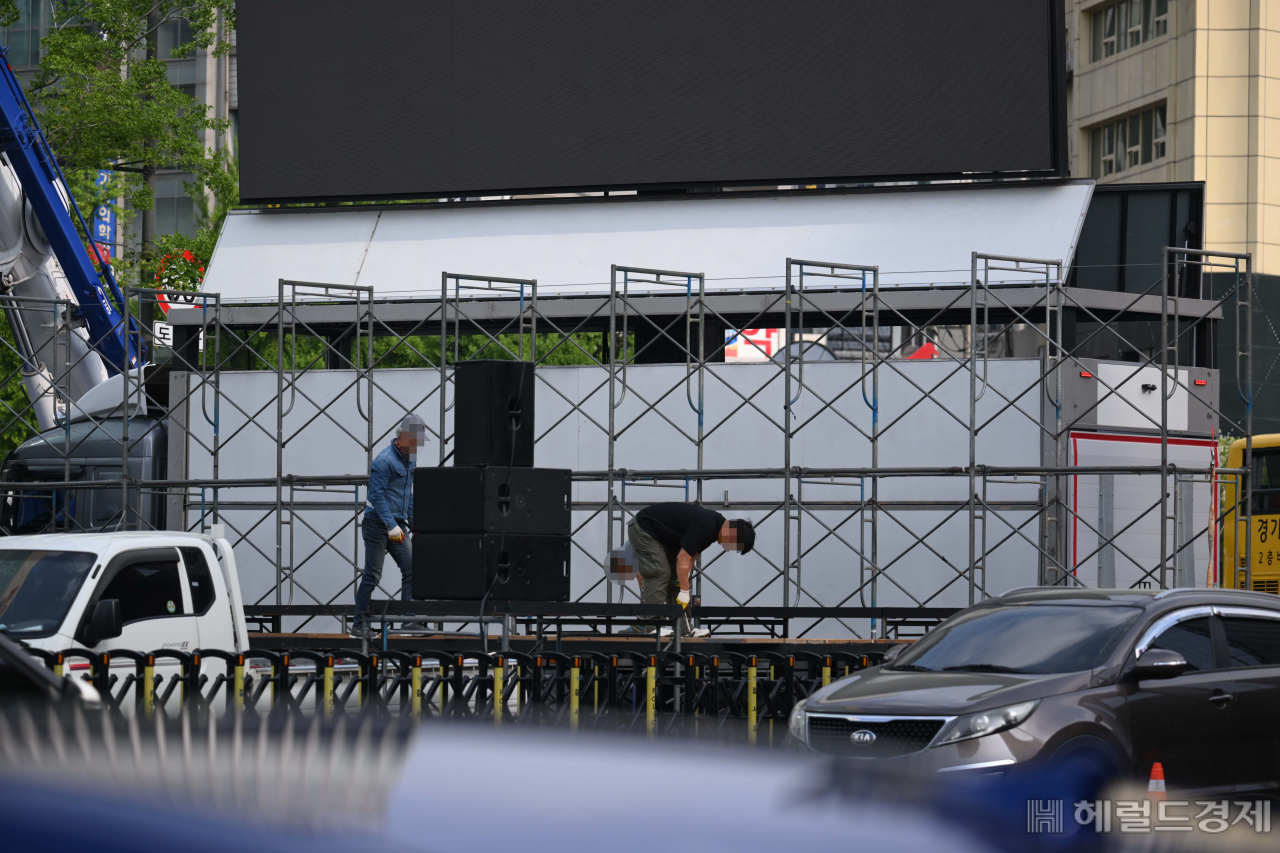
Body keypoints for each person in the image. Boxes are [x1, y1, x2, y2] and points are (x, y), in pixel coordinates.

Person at [624, 502, 755, 635]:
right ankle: (652, 627)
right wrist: (685, 591)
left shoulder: (715, 529)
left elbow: (691, 558)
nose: (729, 548)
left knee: (678, 580)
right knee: (659, 573)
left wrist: (684, 581)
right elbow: (682, 558)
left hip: (662, 538)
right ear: (732, 532)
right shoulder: (708, 525)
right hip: (645, 529)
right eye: (734, 544)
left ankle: (684, 629)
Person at [354, 413, 428, 635]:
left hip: (397, 524)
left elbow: (409, 494)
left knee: (412, 569)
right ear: (402, 438)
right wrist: (390, 525)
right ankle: (358, 625)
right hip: (377, 524)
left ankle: (409, 620)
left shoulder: (410, 459)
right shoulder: (384, 461)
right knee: (373, 574)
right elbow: (377, 496)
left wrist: (413, 523)